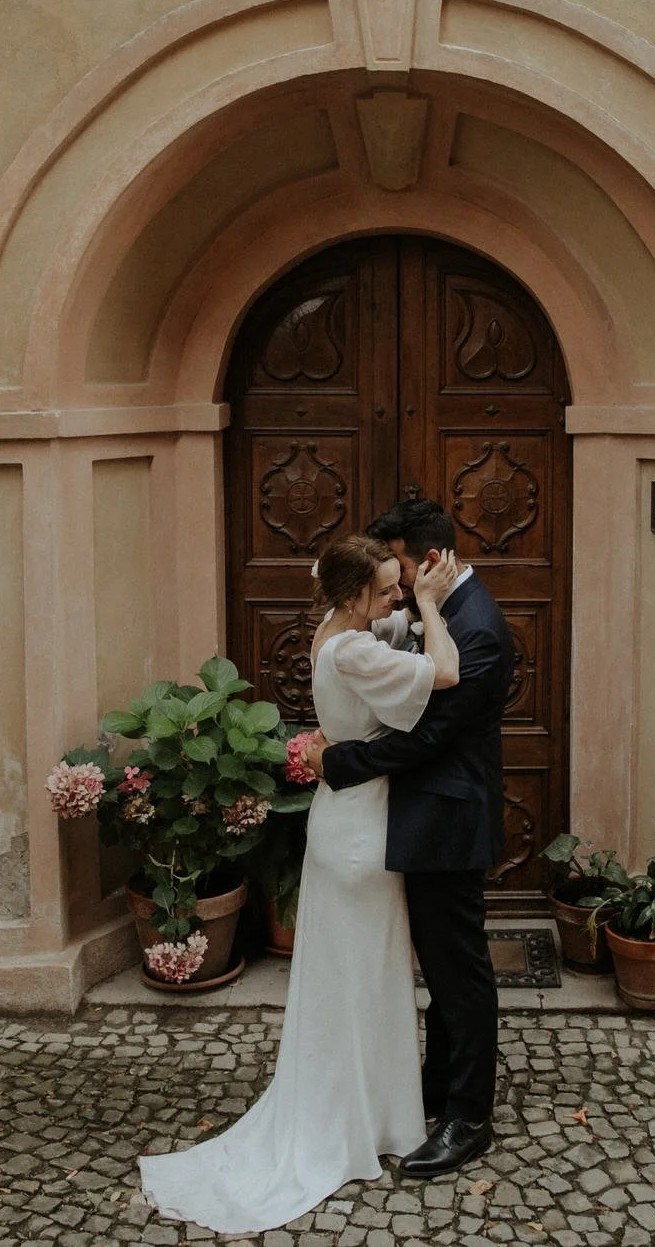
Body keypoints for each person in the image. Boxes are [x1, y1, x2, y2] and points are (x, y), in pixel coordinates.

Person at [139, 533, 464, 1234]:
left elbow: (389, 629)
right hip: (362, 832)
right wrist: (435, 607)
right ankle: (361, 1120)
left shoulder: (334, 629)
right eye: (384, 588)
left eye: (397, 587)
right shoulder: (353, 648)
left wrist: (408, 598)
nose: (397, 598)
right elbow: (444, 672)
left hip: (339, 815)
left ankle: (366, 1111)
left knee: (353, 976)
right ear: (351, 596)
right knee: (364, 977)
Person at [304, 498, 513, 1179]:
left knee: (461, 971)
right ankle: (436, 1083)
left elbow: (429, 736)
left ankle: (469, 1115)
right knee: (445, 968)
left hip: (447, 819)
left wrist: (338, 761)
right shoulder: (436, 610)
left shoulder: (475, 627)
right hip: (415, 818)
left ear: (425, 562)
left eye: (398, 572)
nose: (394, 590)